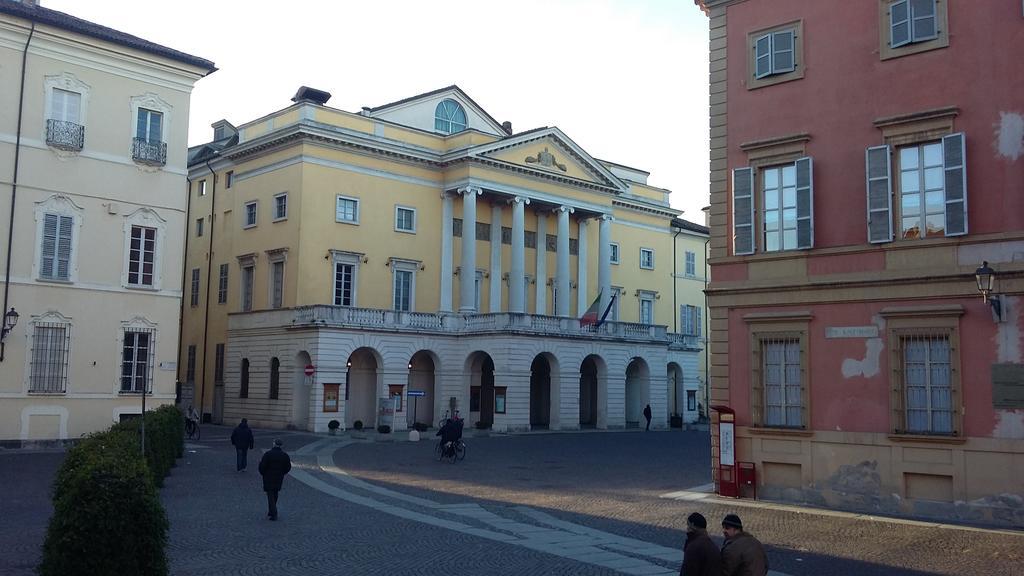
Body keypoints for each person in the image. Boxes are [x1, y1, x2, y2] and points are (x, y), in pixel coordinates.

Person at [258, 439, 292, 521]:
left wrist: (263, 473)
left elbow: (262, 466)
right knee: (275, 493)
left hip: (268, 477)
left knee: (270, 494)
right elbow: (288, 467)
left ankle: (273, 512)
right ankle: (271, 510)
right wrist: (282, 472)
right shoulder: (285, 455)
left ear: (274, 444)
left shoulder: (268, 454)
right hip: (279, 477)